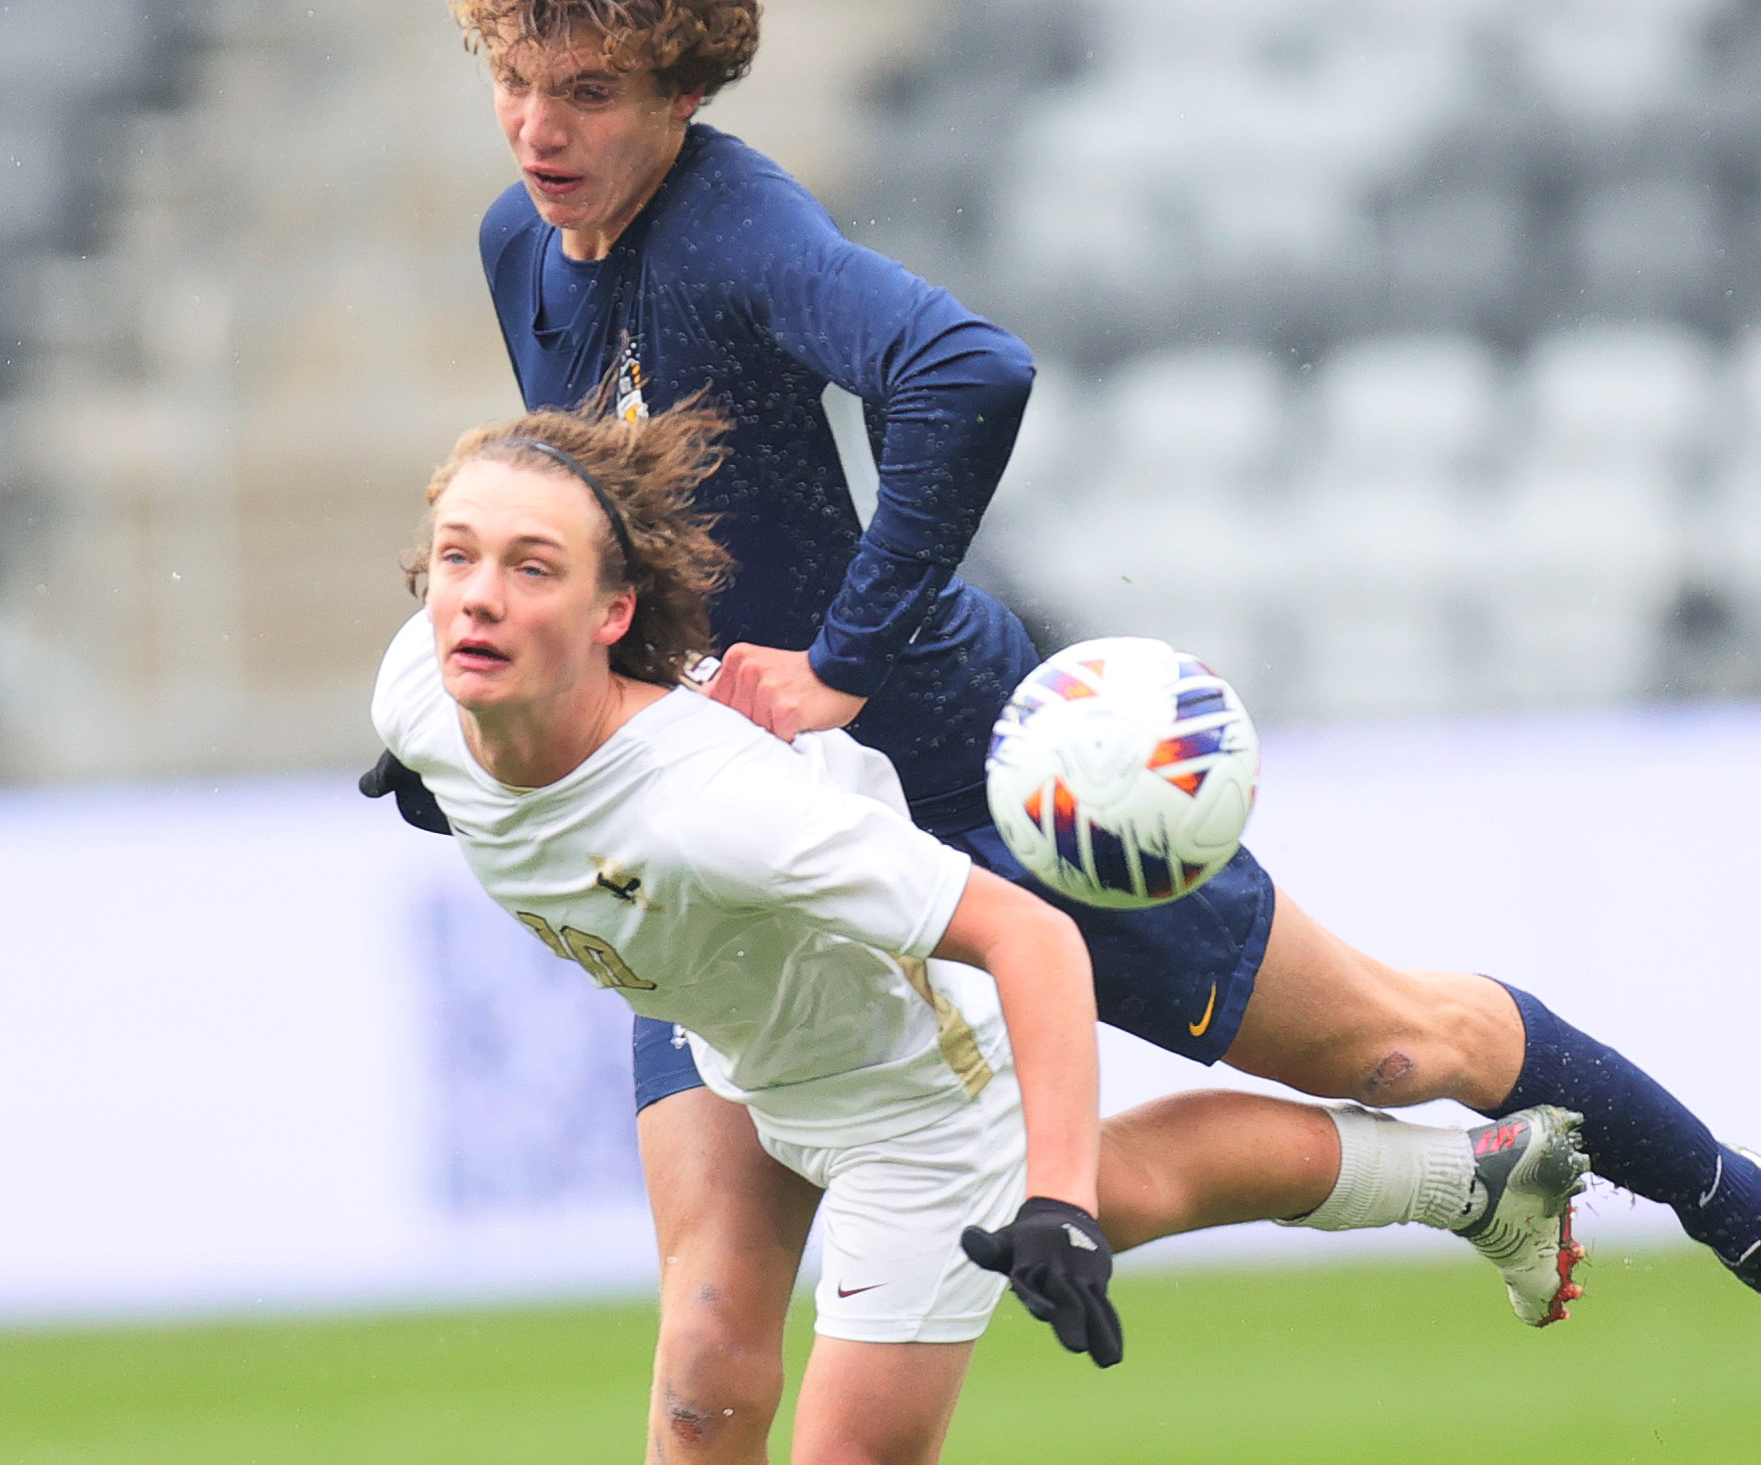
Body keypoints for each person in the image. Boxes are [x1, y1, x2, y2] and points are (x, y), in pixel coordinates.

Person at [382, 0, 1761, 1447]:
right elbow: (600, 532)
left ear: (684, 89)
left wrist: (845, 658)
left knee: (1390, 1037)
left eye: (588, 93)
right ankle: (1465, 1186)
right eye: (513, 82)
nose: (537, 129)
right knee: (710, 1348)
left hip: (943, 764)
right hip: (718, 825)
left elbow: (964, 368)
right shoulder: (524, 245)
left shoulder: (729, 219)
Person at [371, 401, 1593, 1465]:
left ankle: (1451, 1177)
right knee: (700, 1390)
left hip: (919, 1095)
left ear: (611, 611)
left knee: (1059, 1217)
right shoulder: (422, 688)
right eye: (457, 557)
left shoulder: (714, 809)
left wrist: (1055, 1202)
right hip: (757, 1043)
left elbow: (1030, 937)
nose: (479, 593)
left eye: (533, 567)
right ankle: (1469, 1177)